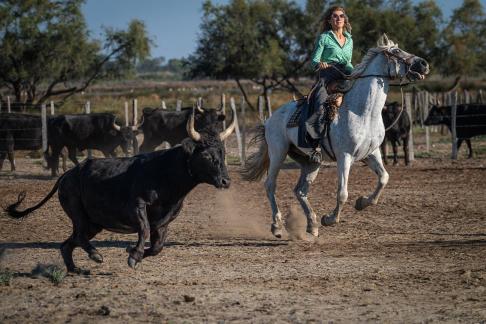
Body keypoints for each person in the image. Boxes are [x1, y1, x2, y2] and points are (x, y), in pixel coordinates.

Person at [305, 6, 353, 163]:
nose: (338, 18)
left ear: (345, 19)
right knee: (319, 105)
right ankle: (315, 145)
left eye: (341, 16)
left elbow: (348, 62)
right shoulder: (324, 37)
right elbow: (313, 61)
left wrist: (358, 71)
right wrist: (321, 63)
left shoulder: (350, 40)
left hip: (345, 75)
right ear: (330, 20)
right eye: (335, 16)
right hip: (327, 76)